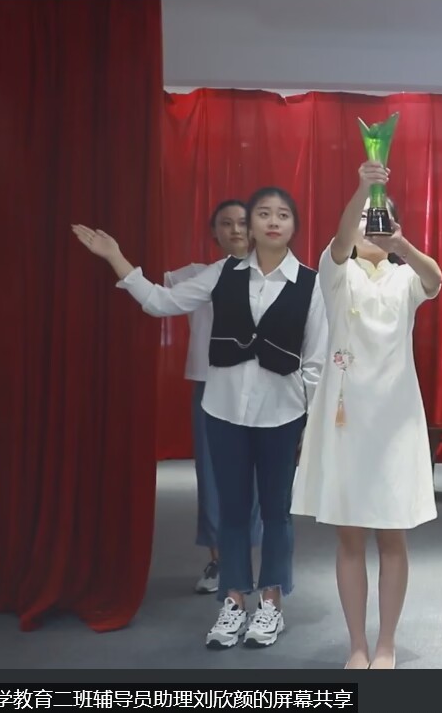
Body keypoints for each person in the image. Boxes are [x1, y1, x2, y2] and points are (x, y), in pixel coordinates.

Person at [71, 186, 326, 650]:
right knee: (232, 511)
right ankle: (233, 601)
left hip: (282, 413)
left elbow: (316, 359)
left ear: (294, 226)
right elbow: (160, 302)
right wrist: (116, 258)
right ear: (250, 225)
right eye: (263, 214)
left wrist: (305, 415)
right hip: (223, 409)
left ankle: (271, 603)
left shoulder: (310, 283)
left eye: (282, 215)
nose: (272, 221)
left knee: (276, 513)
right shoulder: (221, 273)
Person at [291, 161, 442, 670]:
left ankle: (386, 643)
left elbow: (436, 279)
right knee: (349, 534)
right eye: (364, 219)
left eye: (381, 219)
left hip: (396, 420)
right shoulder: (337, 274)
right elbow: (339, 243)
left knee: (393, 533)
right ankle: (357, 643)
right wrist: (365, 188)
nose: (370, 227)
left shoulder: (404, 278)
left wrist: (403, 246)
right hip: (345, 419)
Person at [163, 199, 264, 594]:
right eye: (226, 223)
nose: (235, 230)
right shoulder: (196, 275)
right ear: (214, 232)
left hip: (258, 386)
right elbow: (155, 294)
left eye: (242, 223)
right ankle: (219, 561)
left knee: (254, 478)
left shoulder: (273, 277)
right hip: (210, 386)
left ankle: (244, 560)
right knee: (212, 477)